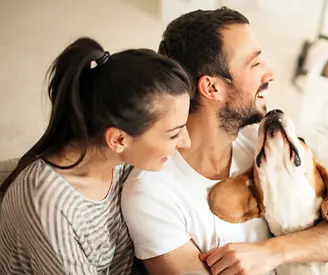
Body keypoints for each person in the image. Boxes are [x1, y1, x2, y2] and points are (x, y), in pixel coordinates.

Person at [121, 7, 328, 275]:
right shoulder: (151, 194)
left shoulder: (261, 140)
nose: (270, 73)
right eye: (255, 64)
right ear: (212, 88)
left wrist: (272, 252)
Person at [0, 37, 194, 275]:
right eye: (174, 134)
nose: (186, 142)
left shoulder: (123, 162)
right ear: (118, 140)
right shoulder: (49, 203)